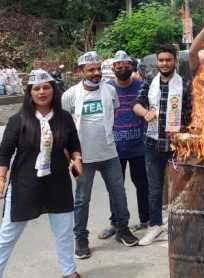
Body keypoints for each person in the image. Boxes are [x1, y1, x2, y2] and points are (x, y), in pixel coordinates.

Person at [0, 70, 82, 278]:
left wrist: (77, 160)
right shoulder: (18, 120)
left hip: (57, 184)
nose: (42, 92)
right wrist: (1, 178)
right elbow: (4, 153)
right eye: (36, 88)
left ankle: (69, 271)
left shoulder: (64, 118)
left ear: (54, 90)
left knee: (64, 232)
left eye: (46, 87)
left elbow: (73, 143)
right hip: (25, 185)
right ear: (30, 93)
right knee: (7, 235)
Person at [62, 51, 139, 259]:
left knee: (119, 194)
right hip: (83, 157)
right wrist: (70, 157)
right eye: (91, 70)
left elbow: (112, 113)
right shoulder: (70, 95)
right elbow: (63, 127)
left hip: (109, 153)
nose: (96, 73)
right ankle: (81, 238)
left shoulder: (109, 91)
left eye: (98, 69)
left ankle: (122, 229)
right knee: (81, 200)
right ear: (81, 71)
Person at [133, 44, 192, 246]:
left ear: (175, 61)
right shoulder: (150, 80)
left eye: (168, 60)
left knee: (180, 187)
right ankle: (155, 226)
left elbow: (192, 114)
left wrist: (185, 132)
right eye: (161, 60)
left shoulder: (185, 84)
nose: (165, 63)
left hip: (177, 146)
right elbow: (137, 103)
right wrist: (145, 113)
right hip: (153, 143)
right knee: (155, 188)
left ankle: (180, 226)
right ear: (157, 62)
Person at [97, 50, 150, 240]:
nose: (122, 69)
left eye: (126, 66)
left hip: (139, 147)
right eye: (118, 66)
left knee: (142, 184)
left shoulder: (141, 86)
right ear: (113, 68)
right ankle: (116, 222)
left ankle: (147, 220)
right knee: (115, 187)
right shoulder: (107, 88)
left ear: (131, 67)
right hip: (115, 149)